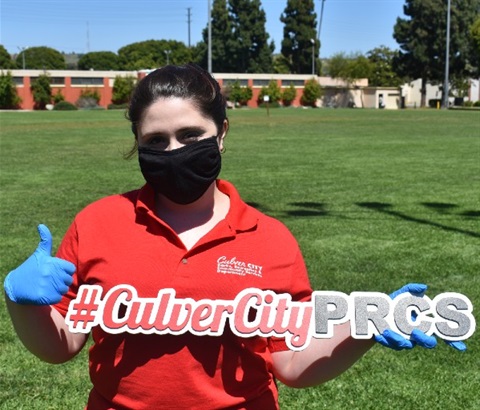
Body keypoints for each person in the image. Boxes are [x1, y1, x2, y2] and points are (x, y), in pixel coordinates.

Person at [4, 64, 464, 410]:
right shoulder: (99, 222)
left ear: (221, 134)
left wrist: (363, 328)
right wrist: (21, 304)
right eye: (156, 142)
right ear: (137, 144)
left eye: (190, 135)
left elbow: (290, 365)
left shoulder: (271, 239)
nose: (174, 152)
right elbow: (59, 345)